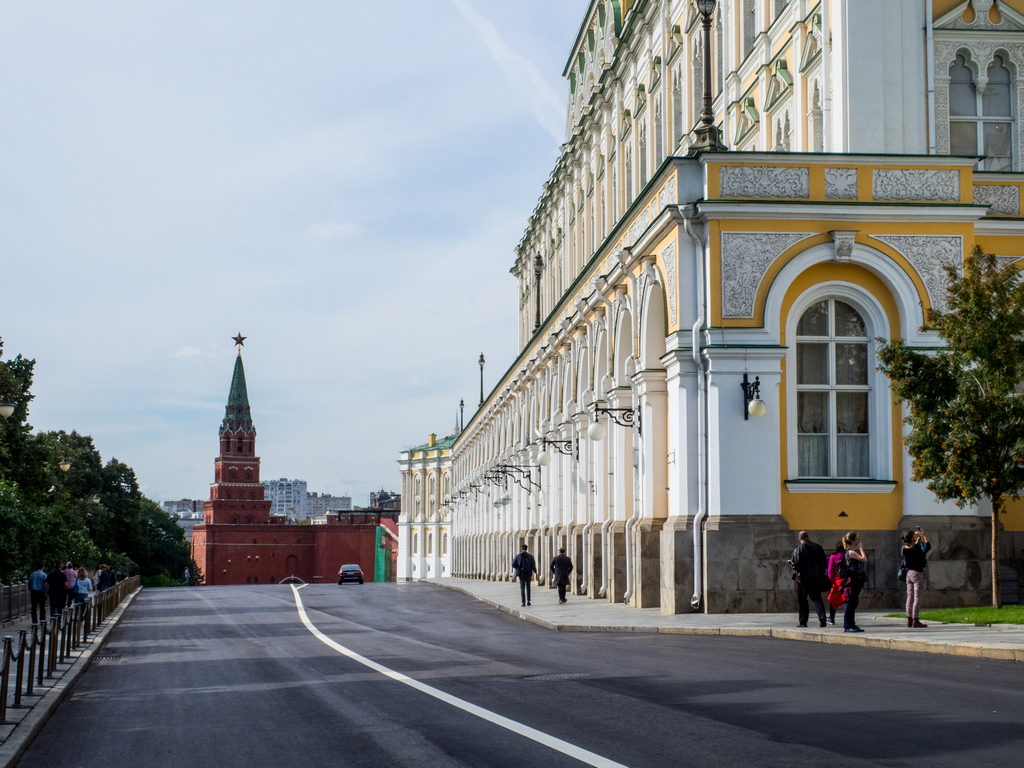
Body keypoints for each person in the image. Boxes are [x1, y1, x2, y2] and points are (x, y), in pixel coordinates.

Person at [791, 531, 828, 627]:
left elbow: (796, 565)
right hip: (816, 577)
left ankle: (803, 622)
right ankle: (822, 617)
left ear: (799, 539)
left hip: (803, 578)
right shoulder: (818, 547)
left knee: (802, 600)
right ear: (808, 537)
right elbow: (824, 563)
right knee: (817, 598)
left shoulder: (798, 549)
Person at [902, 527, 932, 628]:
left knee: (909, 597)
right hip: (917, 574)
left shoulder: (904, 549)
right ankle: (916, 620)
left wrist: (918, 539)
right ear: (912, 539)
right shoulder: (916, 549)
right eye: (914, 537)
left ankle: (909, 620)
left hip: (909, 574)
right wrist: (924, 536)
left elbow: (913, 546)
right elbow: (927, 548)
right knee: (917, 598)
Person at [843, 531, 868, 633]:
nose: (858, 541)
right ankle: (847, 625)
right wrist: (861, 548)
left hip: (855, 579)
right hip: (852, 580)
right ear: (852, 541)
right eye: (857, 539)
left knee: (853, 603)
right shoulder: (851, 552)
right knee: (850, 603)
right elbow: (864, 559)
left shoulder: (850, 552)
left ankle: (852, 624)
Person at [826, 541, 846, 625]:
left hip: (837, 582)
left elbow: (830, 570)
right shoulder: (847, 555)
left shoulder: (833, 556)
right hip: (846, 580)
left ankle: (831, 617)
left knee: (832, 599)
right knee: (847, 599)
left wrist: (830, 582)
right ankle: (848, 618)